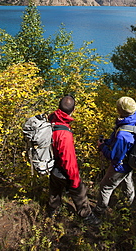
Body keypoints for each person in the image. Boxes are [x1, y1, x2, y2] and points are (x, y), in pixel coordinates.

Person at [47, 94, 100, 225]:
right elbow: (68, 161)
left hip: (51, 165)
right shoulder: (64, 134)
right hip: (61, 169)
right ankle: (87, 216)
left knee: (55, 190)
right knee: (79, 192)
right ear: (73, 110)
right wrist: (75, 180)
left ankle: (52, 212)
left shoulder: (50, 119)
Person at [94, 96, 136, 218]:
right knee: (127, 179)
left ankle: (100, 210)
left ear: (120, 110)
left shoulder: (123, 135)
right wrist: (108, 142)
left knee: (105, 186)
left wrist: (102, 147)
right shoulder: (134, 120)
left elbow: (114, 157)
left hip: (121, 165)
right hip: (130, 160)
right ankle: (128, 203)